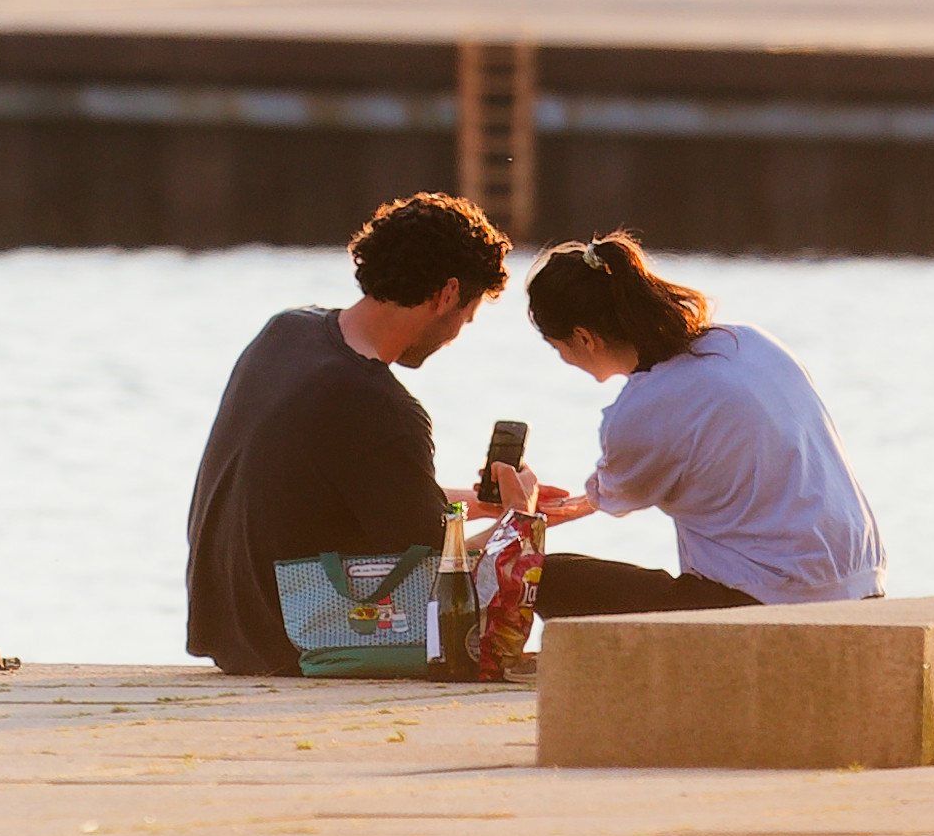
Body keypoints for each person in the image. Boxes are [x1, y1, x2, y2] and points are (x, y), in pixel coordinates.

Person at [184, 190, 509, 673]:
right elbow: (437, 558)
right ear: (447, 295)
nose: (457, 332)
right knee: (553, 575)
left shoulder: (287, 332)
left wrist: (484, 504)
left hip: (227, 629)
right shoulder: (381, 405)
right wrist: (522, 524)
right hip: (296, 640)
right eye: (466, 315)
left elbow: (382, 497)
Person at [502, 230, 884, 621]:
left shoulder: (641, 409)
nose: (564, 360)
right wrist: (561, 506)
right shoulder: (749, 343)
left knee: (543, 578)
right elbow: (612, 493)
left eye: (557, 346)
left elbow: (618, 492)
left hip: (764, 605)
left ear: (584, 338)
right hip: (863, 592)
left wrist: (523, 512)